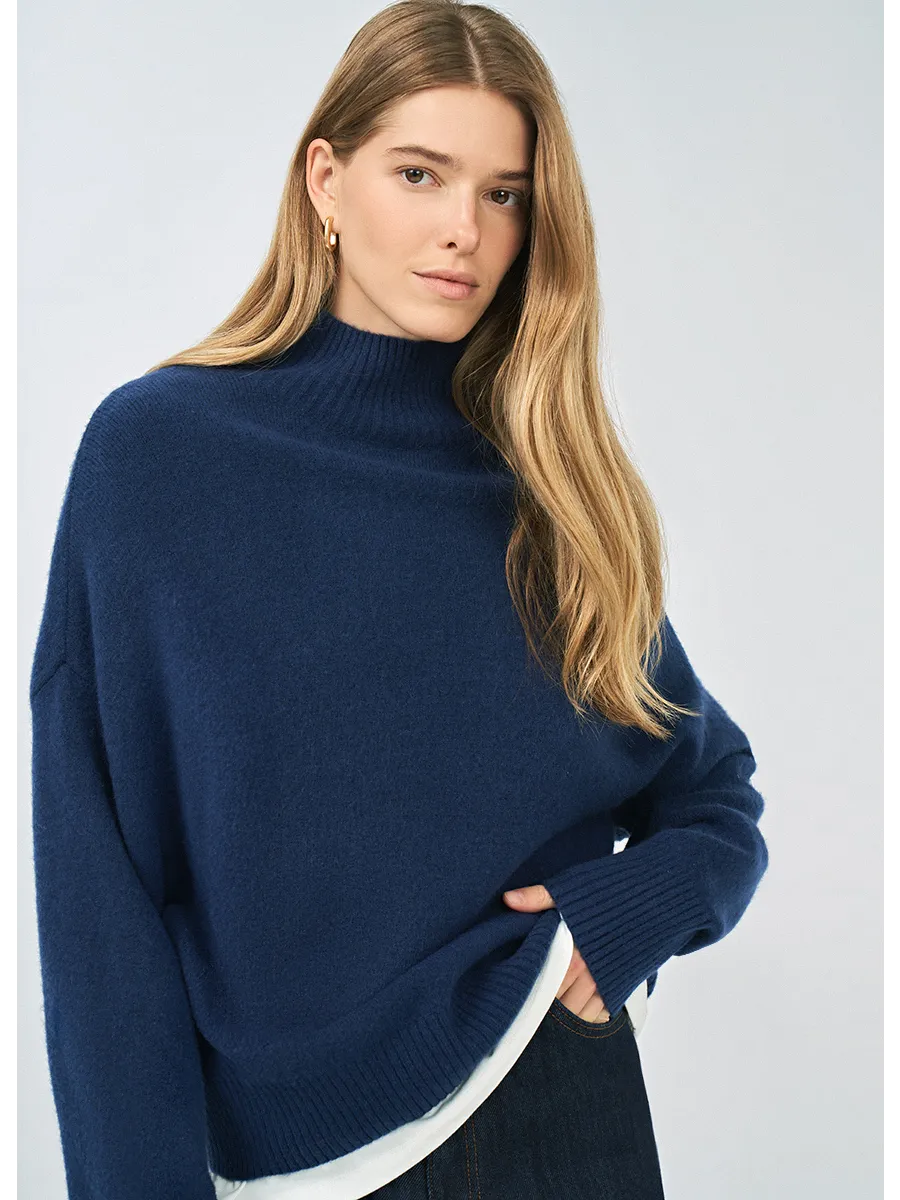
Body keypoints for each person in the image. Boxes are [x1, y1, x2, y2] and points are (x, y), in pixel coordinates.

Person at [28, 1, 769, 1197]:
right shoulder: (160, 458)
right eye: (419, 174)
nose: (462, 229)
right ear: (327, 180)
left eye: (504, 193)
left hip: (560, 1104)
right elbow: (100, 891)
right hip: (309, 1160)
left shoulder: (549, 488)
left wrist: (629, 909)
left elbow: (713, 790)